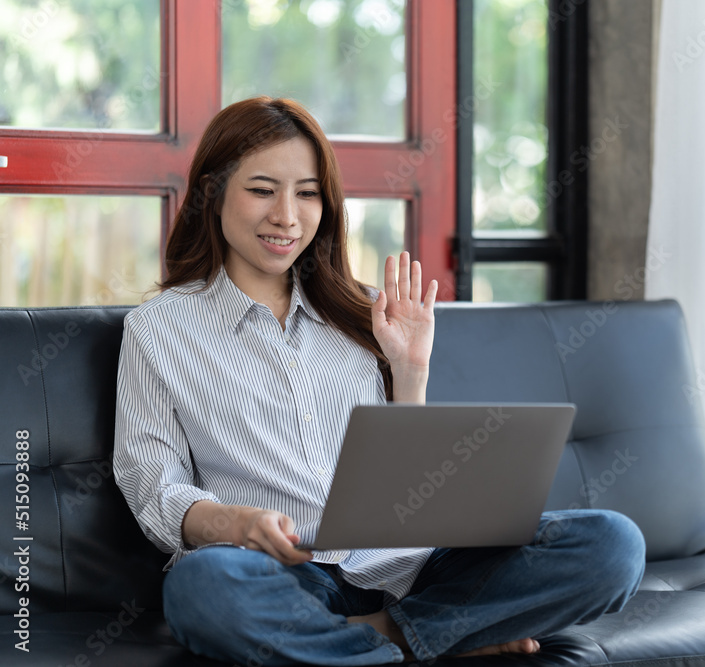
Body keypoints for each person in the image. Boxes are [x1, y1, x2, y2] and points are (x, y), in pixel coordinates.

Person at [113, 96, 646, 666]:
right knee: (203, 590)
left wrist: (410, 373)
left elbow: (412, 488)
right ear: (213, 192)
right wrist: (234, 523)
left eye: (308, 193)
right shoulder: (159, 328)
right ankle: (430, 639)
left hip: (414, 569)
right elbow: (154, 486)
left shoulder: (366, 311)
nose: (287, 216)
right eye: (263, 189)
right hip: (286, 573)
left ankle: (375, 638)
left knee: (613, 545)